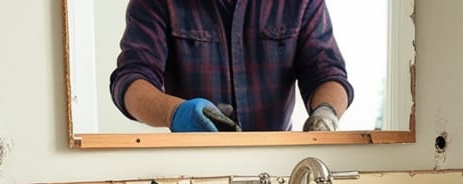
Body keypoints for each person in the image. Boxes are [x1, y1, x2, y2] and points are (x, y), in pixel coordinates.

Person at [109, 0, 353, 133]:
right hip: (194, 170)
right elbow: (131, 81)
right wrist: (177, 113)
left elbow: (326, 73)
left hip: (278, 167)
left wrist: (326, 113)